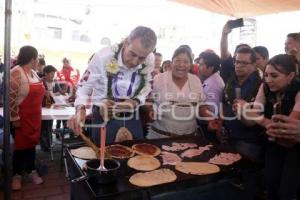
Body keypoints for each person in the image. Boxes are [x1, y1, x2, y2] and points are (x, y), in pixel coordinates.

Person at [68, 26, 157, 144]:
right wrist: (80, 109)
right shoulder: (103, 57)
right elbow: (84, 87)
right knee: (104, 156)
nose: (135, 62)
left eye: (141, 58)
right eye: (132, 54)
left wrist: (135, 101)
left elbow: (146, 86)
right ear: (126, 42)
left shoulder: (150, 59)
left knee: (136, 152)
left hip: (132, 113)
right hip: (103, 113)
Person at [234, 54, 300, 200]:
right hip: (272, 144)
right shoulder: (264, 87)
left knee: (287, 191)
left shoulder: (298, 90)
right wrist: (242, 113)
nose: (269, 80)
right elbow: (251, 121)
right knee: (271, 184)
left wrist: (256, 117)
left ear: (290, 76)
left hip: (294, 147)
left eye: (274, 76)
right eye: (266, 75)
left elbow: (284, 132)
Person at [147, 46, 217, 139]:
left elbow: (201, 105)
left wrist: (210, 119)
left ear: (191, 65)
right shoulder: (159, 79)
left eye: (186, 62)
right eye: (178, 61)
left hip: (189, 140)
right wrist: (149, 110)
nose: (181, 65)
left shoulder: (195, 80)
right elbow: (148, 101)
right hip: (159, 137)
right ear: (172, 63)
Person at [10, 46, 45, 190]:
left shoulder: (34, 73)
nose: (38, 61)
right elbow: (10, 99)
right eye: (37, 58)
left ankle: (31, 171)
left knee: (31, 146)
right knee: (19, 148)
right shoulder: (16, 73)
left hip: (35, 117)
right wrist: (14, 119)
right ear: (32, 58)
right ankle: (16, 175)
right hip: (21, 118)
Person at [40, 65, 58, 152]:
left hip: (51, 108)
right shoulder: (40, 82)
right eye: (51, 74)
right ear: (46, 74)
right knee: (43, 127)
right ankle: (44, 145)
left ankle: (49, 143)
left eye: (53, 74)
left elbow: (58, 94)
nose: (53, 75)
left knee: (49, 125)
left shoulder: (55, 82)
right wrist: (44, 93)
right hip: (42, 108)